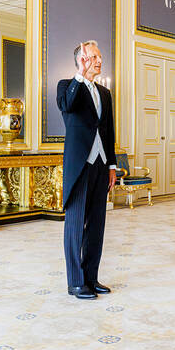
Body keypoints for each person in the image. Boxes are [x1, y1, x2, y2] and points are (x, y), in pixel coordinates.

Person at [57, 40, 117, 300]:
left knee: (96, 226)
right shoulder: (67, 87)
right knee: (74, 226)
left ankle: (91, 277)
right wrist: (80, 76)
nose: (98, 61)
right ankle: (76, 282)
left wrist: (113, 166)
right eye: (92, 56)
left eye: (99, 56)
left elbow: (109, 131)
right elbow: (67, 106)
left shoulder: (105, 93)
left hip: (101, 166)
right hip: (79, 166)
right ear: (80, 60)